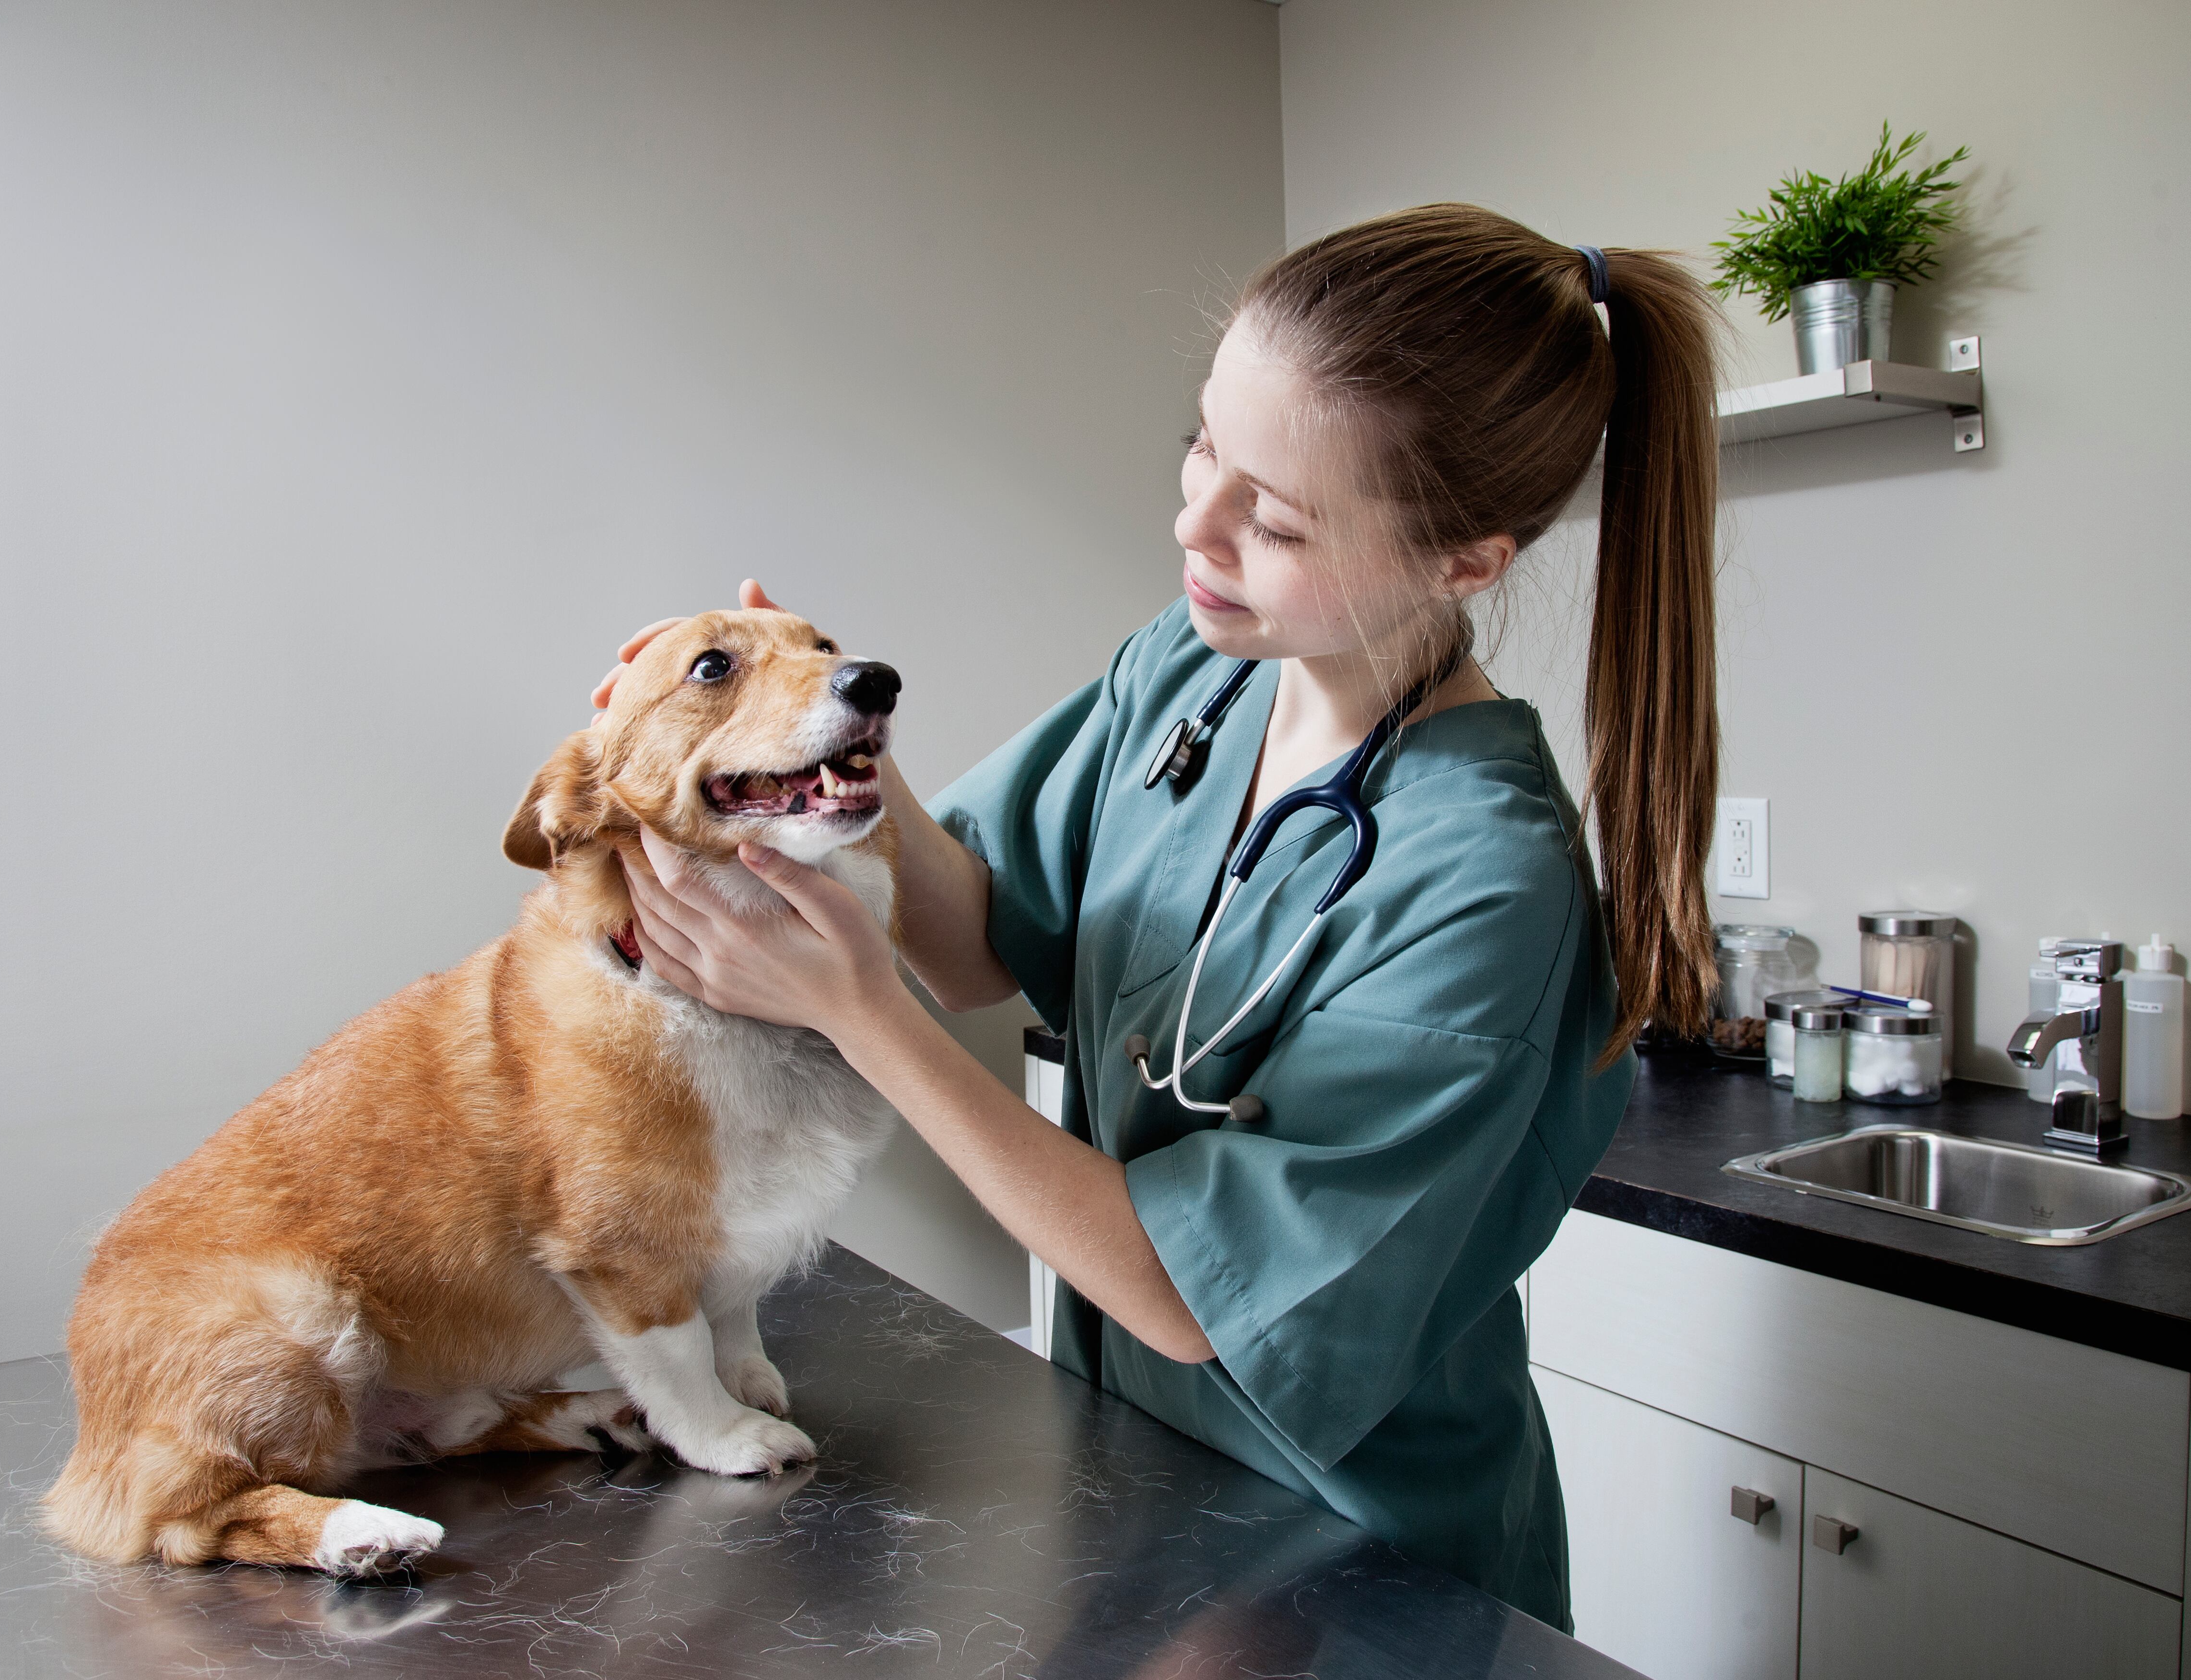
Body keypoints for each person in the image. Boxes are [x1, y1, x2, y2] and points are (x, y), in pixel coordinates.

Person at [605, 203, 1722, 1630]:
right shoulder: (1198, 673)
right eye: (1205, 445)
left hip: (1354, 1564)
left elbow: (1198, 1300)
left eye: (1276, 516)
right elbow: (979, 938)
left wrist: (851, 1009)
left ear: (1467, 563)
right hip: (1139, 1497)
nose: (1196, 524)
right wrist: (823, 741)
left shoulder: (1486, 892)